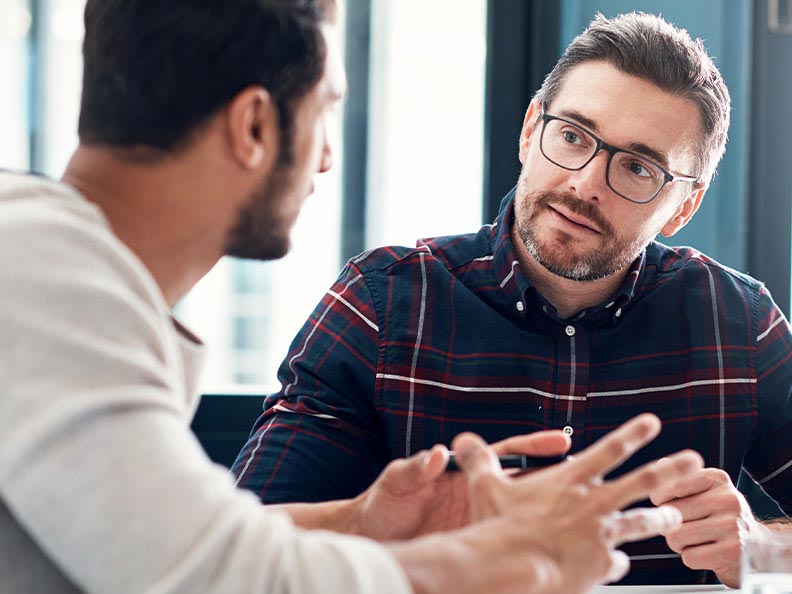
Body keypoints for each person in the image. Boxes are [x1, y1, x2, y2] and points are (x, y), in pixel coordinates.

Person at [0, 1, 707, 594]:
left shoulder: (49, 265)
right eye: (326, 110)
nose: (329, 156)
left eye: (638, 166)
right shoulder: (44, 277)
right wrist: (505, 557)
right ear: (253, 127)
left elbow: (165, 538)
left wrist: (363, 519)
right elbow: (211, 575)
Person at [232, 10, 792, 588]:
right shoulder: (380, 303)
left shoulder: (740, 322)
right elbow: (245, 548)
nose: (584, 184)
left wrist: (760, 546)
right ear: (531, 131)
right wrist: (380, 528)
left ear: (682, 207)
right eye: (572, 136)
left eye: (637, 167)